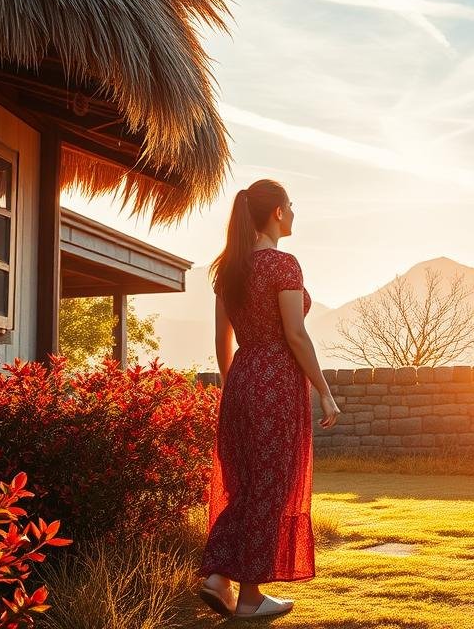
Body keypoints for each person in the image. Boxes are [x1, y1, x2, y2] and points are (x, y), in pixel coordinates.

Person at [197, 180, 341, 619]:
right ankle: (250, 598)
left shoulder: (229, 268)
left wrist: (234, 388)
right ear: (277, 212)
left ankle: (219, 576)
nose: (294, 212)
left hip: (241, 380)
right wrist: (325, 392)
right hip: (277, 381)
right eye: (290, 205)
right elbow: (295, 334)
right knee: (271, 487)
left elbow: (221, 340)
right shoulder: (283, 265)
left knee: (246, 484)